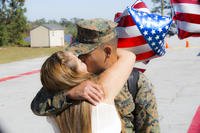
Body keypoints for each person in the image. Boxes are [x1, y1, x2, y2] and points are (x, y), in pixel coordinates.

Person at [31, 18, 160, 133]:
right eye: (78, 52)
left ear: (108, 52)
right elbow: (37, 106)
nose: (80, 57)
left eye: (85, 53)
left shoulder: (135, 81)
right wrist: (68, 94)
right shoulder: (74, 78)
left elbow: (149, 128)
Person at [40, 49, 135, 133]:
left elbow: (51, 83)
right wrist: (98, 49)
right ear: (74, 74)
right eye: (80, 62)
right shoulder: (100, 90)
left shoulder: (51, 110)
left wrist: (67, 93)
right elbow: (128, 56)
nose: (82, 59)